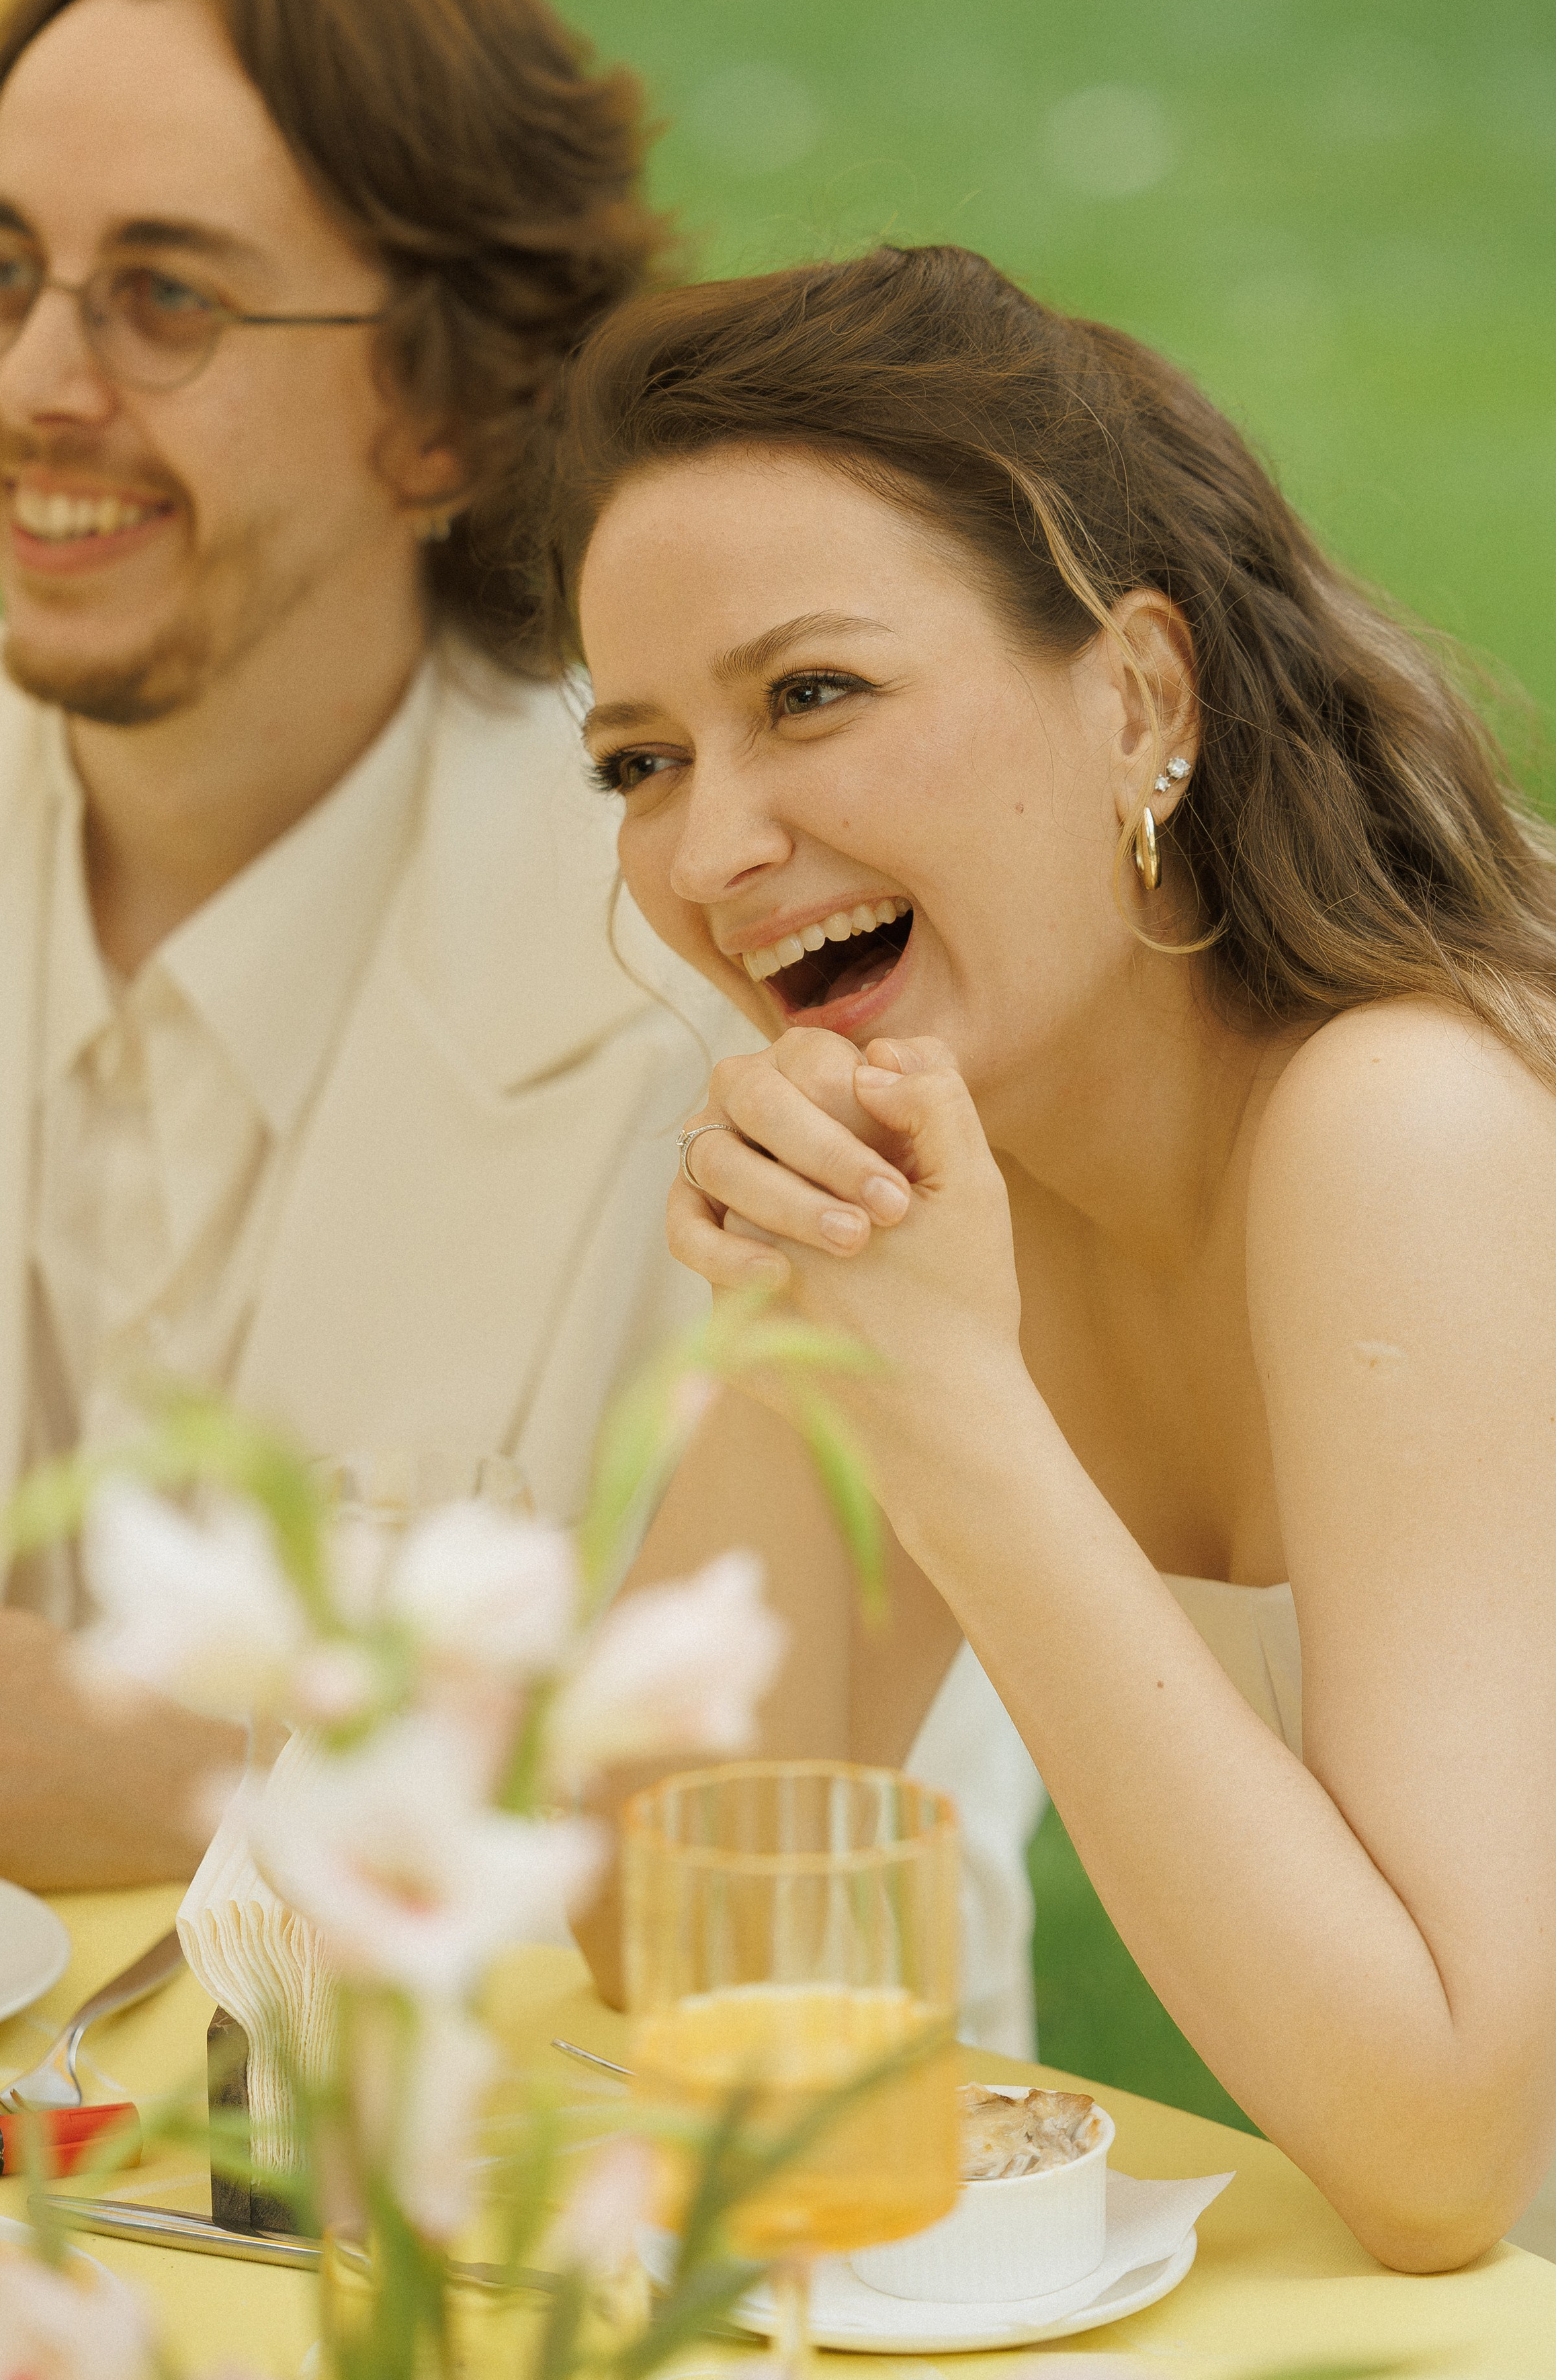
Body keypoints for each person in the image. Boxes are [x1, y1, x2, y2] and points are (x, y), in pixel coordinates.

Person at [541, 243, 1556, 2269]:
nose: (710, 848)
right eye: (640, 761)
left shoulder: (1404, 1124)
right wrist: (806, 1324)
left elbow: (1447, 2143)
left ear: (1141, 698)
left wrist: (946, 1414)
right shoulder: (964, 1163)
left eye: (809, 695)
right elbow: (654, 1924)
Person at [0, 0, 727, 1892]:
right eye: (0, 276)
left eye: (166, 297)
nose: (37, 390)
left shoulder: (714, 990)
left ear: (450, 405)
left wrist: (209, 1809)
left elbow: (858, 1902)